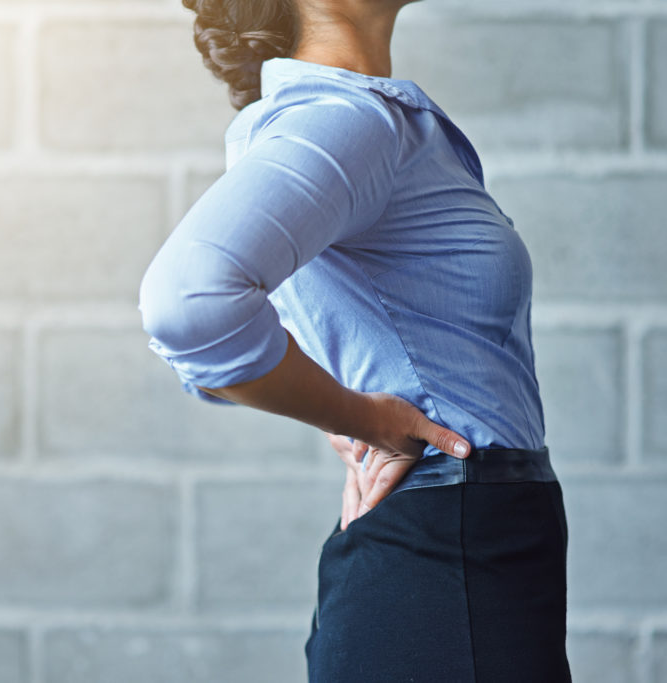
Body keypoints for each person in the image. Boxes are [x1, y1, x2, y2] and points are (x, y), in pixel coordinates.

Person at [138, 0, 572, 680]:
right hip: (445, 554)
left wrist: (348, 401)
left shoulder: (367, 118)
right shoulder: (346, 118)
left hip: (467, 546)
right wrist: (360, 414)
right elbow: (187, 302)